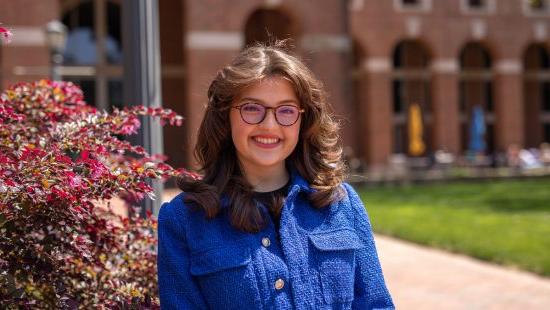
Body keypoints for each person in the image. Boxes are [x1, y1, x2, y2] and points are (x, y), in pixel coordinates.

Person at [157, 41, 394, 310]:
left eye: (286, 111)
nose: (269, 125)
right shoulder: (183, 219)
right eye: (252, 108)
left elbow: (376, 304)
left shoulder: (342, 203)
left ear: (303, 121)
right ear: (225, 117)